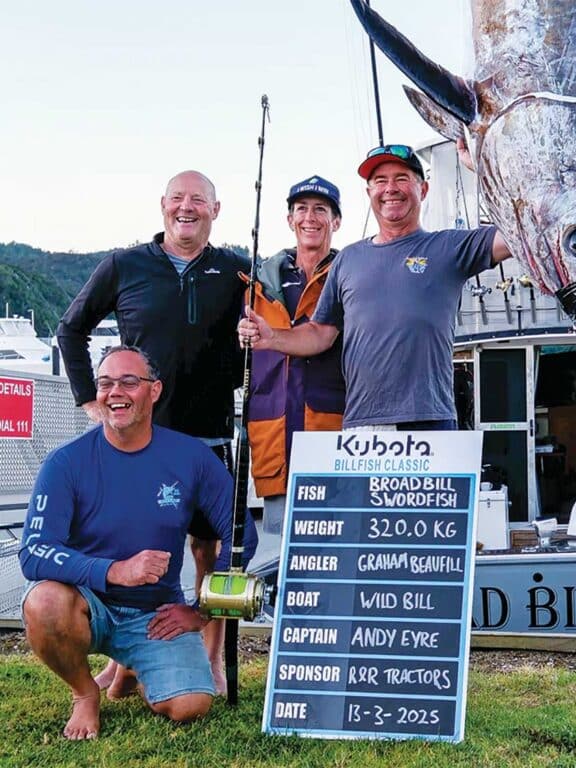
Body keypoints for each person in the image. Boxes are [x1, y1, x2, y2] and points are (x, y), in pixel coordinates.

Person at [57, 170, 249, 693]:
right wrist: (88, 401)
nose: (187, 208)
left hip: (209, 437)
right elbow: (70, 329)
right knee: (139, 546)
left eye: (199, 200)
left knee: (210, 552)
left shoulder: (237, 270)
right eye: (178, 199)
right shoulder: (124, 265)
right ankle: (124, 664)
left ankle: (210, 657)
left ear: (217, 209)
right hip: (137, 443)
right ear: (163, 205)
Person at [19, 347, 256, 740]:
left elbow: (242, 538)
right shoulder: (65, 463)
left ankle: (133, 666)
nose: (116, 392)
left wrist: (200, 612)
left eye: (129, 381)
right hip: (87, 605)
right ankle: (85, 692)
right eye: (106, 383)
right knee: (43, 601)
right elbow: (34, 552)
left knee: (191, 706)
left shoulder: (191, 457)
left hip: (154, 614)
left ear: (155, 390)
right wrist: (114, 570)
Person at [239, 144, 511, 430]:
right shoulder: (348, 259)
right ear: (369, 193)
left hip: (431, 419)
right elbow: (320, 333)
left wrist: (483, 169)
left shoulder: (450, 247)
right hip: (362, 424)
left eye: (402, 178)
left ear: (424, 190)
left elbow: (517, 235)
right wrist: (272, 338)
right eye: (380, 181)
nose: (390, 188)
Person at [245, 175, 346, 533]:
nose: (310, 218)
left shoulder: (350, 275)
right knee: (282, 550)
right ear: (290, 220)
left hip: (332, 435)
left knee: (335, 545)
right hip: (272, 435)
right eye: (301, 209)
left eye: (321, 209)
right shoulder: (256, 282)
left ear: (336, 221)